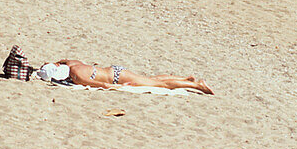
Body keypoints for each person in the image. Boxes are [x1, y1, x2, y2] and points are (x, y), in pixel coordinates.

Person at [35, 60, 212, 94]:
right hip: (115, 70)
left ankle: (197, 86)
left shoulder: (76, 76)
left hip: (116, 78)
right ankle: (185, 80)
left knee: (161, 86)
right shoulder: (71, 64)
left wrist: (121, 87)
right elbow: (59, 61)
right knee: (151, 79)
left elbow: (101, 86)